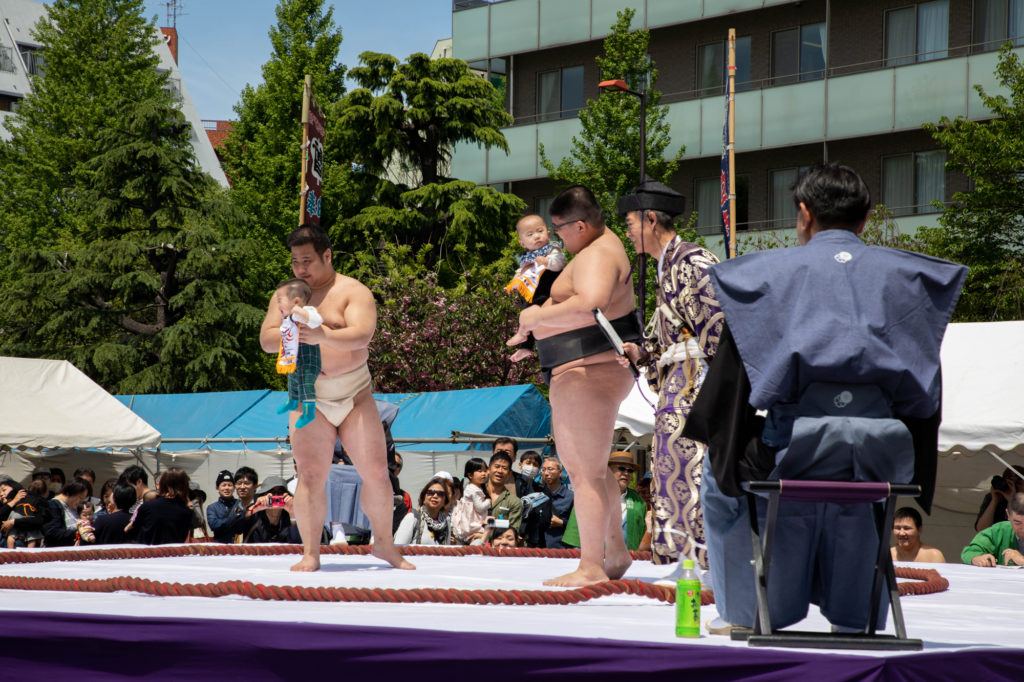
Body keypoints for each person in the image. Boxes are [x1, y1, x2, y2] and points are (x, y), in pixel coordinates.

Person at [683, 163, 967, 634]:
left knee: (719, 480)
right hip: (882, 449)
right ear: (866, 217)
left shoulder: (765, 275)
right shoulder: (912, 277)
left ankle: (743, 614)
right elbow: (926, 385)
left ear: (803, 212)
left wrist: (721, 445)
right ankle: (856, 614)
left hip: (790, 444)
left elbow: (732, 389)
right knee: (865, 482)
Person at [507, 185, 640, 586]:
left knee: (582, 474)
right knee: (594, 472)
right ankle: (613, 552)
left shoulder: (599, 254)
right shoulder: (598, 249)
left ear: (580, 225)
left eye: (561, 230)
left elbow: (591, 303)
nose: (557, 237)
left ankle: (590, 565)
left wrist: (534, 319)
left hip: (588, 370)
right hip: (583, 365)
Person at [259, 225, 412, 572]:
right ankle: (311, 553)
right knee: (310, 475)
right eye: (296, 261)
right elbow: (266, 342)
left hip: (353, 393)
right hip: (307, 394)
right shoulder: (286, 294)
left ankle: (384, 546)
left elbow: (361, 335)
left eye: (308, 260)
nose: (301, 269)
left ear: (327, 256)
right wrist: (289, 328)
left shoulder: (352, 291)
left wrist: (321, 333)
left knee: (375, 473)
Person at [617, 180, 723, 575]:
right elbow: (668, 332)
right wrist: (641, 352)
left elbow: (719, 328)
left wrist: (716, 389)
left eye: (630, 222)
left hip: (698, 380)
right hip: (677, 379)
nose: (628, 231)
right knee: (670, 468)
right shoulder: (667, 266)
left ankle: (703, 564)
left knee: (694, 470)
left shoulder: (695, 262)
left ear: (649, 219)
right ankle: (685, 560)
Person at [562, 452, 646, 552]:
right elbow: (575, 533)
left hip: (627, 563)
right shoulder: (588, 497)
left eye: (630, 470)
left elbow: (644, 535)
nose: (626, 473)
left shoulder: (638, 501)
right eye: (622, 469)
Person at [274, 277, 325, 429]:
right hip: (295, 357)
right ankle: (292, 400)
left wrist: (302, 314)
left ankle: (309, 412)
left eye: (279, 300)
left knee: (306, 383)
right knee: (293, 378)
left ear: (296, 302)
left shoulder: (307, 311)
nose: (277, 305)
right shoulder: (288, 318)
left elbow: (317, 320)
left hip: (309, 358)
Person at [504, 214, 565, 307]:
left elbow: (559, 262)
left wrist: (547, 261)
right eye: (530, 234)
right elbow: (521, 272)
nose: (536, 236)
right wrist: (514, 282)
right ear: (522, 244)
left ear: (548, 234)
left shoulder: (552, 248)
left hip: (549, 288)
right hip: (534, 294)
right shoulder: (527, 258)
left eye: (540, 231)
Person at [132, 467, 194, 545]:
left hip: (146, 554)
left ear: (163, 484)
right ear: (185, 486)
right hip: (173, 555)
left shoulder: (147, 506)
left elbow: (135, 530)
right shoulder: (187, 512)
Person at [962, 493, 1024, 567]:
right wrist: (977, 558)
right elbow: (970, 551)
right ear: (1008, 515)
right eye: (1017, 523)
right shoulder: (998, 531)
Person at [394, 478, 453, 545]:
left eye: (440, 494)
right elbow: (399, 548)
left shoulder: (446, 523)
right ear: (423, 498)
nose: (435, 496)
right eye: (430, 492)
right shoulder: (412, 518)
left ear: (445, 501)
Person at [243, 476, 296, 544]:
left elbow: (297, 542)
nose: (276, 496)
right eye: (272, 492)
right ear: (263, 494)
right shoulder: (254, 512)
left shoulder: (291, 515)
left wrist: (292, 514)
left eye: (280, 492)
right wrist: (255, 508)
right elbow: (233, 524)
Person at [451, 458, 490, 545]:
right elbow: (480, 508)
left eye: (485, 470)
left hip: (469, 522)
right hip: (471, 524)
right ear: (470, 475)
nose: (483, 474)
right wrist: (489, 501)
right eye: (480, 471)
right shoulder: (474, 489)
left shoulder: (474, 487)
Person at [42, 480, 93, 547]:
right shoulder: (52, 506)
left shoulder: (73, 507)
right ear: (71, 493)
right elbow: (52, 533)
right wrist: (79, 531)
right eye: (80, 498)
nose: (81, 502)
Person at [974, 465, 1024, 532]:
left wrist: (1011, 501)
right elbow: (982, 530)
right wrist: (994, 501)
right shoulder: (995, 497)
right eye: (1010, 482)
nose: (1013, 487)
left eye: (1018, 483)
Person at [539, 456, 574, 549]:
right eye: (543, 470)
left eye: (550, 469)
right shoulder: (537, 495)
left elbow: (579, 526)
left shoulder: (571, 497)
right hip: (538, 549)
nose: (546, 473)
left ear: (560, 472)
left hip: (562, 549)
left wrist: (562, 523)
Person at [483, 451, 523, 532]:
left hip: (499, 544)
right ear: (488, 469)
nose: (500, 471)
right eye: (497, 466)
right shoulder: (475, 493)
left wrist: (488, 526)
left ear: (509, 474)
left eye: (504, 468)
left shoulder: (514, 502)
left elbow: (512, 530)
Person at [0, 480, 46, 548]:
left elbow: (39, 520)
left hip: (24, 541)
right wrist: (13, 501)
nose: (1, 494)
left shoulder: (31, 500)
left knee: (31, 539)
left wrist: (14, 522)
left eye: (4, 490)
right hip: (6, 544)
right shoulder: (4, 507)